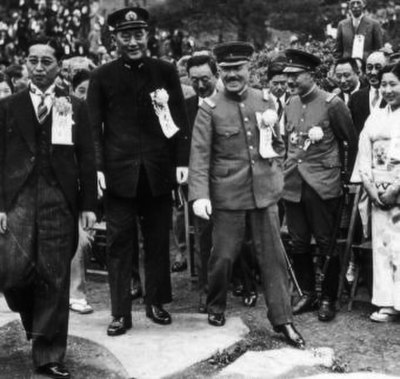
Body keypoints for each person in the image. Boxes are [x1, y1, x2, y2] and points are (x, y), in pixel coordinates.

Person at [189, 41, 305, 349]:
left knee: (273, 258)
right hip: (227, 194)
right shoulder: (209, 107)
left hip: (264, 194)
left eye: (237, 69)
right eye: (226, 70)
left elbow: (279, 146)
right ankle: (215, 304)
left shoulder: (265, 100)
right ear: (221, 72)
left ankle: (283, 320)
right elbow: (199, 156)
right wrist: (199, 195)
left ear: (248, 69)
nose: (232, 75)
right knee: (223, 256)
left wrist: (275, 174)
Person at [87, 7, 190, 337]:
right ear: (114, 38)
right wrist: (98, 168)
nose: (132, 41)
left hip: (158, 172)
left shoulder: (166, 71)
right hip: (119, 175)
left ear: (148, 36)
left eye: (138, 34)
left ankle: (157, 303)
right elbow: (94, 128)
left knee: (158, 241)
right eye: (125, 35)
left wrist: (180, 163)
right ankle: (120, 313)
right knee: (120, 244)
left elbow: (177, 123)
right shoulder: (102, 76)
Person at [0, 37, 97, 379]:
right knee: (11, 274)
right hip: (19, 200)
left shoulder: (75, 106)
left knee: (55, 279)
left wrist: (88, 205)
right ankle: (34, 323)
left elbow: (87, 157)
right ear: (26, 63)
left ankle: (48, 355)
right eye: (33, 61)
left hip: (60, 199)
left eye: (46, 62)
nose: (39, 68)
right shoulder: (8, 106)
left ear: (58, 66)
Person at [283, 49, 358, 322]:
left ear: (311, 74)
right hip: (293, 183)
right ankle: (307, 293)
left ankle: (328, 297)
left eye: (295, 75)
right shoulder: (290, 103)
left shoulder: (332, 103)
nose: (289, 81)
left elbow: (350, 140)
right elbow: (287, 142)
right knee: (299, 241)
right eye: (287, 75)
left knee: (326, 242)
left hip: (323, 184)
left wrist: (345, 178)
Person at [351, 62, 400, 322]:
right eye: (384, 85)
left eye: (394, 83)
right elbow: (364, 153)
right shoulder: (376, 116)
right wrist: (370, 187)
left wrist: (396, 188)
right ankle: (387, 303)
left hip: (398, 188)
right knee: (382, 247)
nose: (388, 89)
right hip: (378, 191)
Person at [68, 69, 95, 315]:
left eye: (90, 91)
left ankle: (76, 292)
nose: (86, 97)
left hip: (93, 182)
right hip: (68, 180)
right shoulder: (68, 109)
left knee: (76, 236)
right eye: (80, 91)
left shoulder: (99, 111)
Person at [349, 51, 388, 134]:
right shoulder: (355, 97)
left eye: (378, 67)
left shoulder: (394, 96)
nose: (373, 72)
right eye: (369, 68)